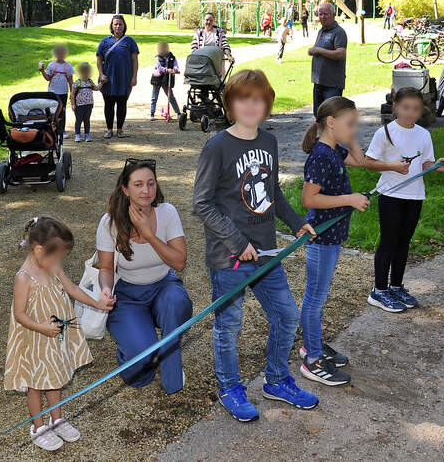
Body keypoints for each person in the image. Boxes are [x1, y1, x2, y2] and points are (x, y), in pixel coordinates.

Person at [193, 69, 319, 421]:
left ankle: (276, 380)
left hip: (266, 253)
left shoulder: (269, 142)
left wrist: (296, 223)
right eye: (242, 99)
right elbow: (202, 203)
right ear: (230, 104)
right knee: (229, 325)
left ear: (267, 104)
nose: (251, 105)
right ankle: (230, 387)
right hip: (229, 257)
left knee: (287, 315)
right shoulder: (217, 146)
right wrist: (236, 241)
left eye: (258, 99)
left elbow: (272, 191)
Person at [5, 216, 113, 452]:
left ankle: (57, 419)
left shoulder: (51, 266)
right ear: (39, 249)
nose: (59, 261)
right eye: (57, 256)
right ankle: (38, 426)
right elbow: (20, 313)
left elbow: (72, 289)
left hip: (56, 336)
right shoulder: (24, 277)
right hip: (35, 338)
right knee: (35, 383)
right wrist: (42, 327)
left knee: (54, 377)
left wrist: (97, 303)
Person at [96, 159, 192, 395]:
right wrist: (106, 289)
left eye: (151, 184)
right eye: (138, 185)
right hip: (127, 295)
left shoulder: (167, 212)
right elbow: (106, 269)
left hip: (163, 287)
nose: (146, 190)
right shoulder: (109, 222)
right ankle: (136, 346)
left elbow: (179, 262)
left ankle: (171, 374)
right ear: (126, 190)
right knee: (138, 373)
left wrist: (149, 234)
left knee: (177, 303)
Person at [298, 96, 370, 387]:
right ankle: (312, 359)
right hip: (321, 238)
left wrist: (350, 136)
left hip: (332, 237)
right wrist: (350, 199)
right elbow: (308, 198)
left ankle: (310, 344)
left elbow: (360, 161)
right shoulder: (320, 156)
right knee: (315, 298)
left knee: (319, 296)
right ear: (330, 123)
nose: (354, 129)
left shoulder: (332, 150)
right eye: (350, 124)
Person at [365, 88, 444, 313]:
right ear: (395, 106)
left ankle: (396, 286)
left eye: (415, 109)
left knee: (404, 243)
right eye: (405, 108)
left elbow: (425, 164)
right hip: (391, 195)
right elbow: (369, 162)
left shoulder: (423, 134)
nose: (410, 113)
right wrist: (393, 166)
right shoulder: (384, 133)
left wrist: (436, 166)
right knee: (389, 242)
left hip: (415, 196)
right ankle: (379, 291)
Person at [96, 15, 139, 139]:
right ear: (112, 26)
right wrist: (101, 74)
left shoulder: (130, 41)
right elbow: (99, 59)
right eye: (115, 24)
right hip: (108, 79)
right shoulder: (105, 41)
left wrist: (134, 77)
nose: (118, 26)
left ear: (124, 26)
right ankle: (109, 129)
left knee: (122, 104)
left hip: (124, 79)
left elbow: (135, 61)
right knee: (108, 105)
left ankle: (120, 129)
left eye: (120, 24)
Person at [308, 2, 348, 115]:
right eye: (320, 14)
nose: (322, 17)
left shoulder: (339, 32)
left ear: (333, 14)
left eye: (326, 14)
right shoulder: (321, 31)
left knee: (331, 117)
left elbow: (341, 53)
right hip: (319, 82)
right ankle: (320, 133)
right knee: (318, 116)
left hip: (332, 85)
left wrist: (318, 50)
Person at [40, 44, 74, 137]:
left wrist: (72, 93)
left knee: (62, 112)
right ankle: (52, 130)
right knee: (52, 112)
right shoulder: (52, 65)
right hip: (52, 93)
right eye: (58, 52)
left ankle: (62, 130)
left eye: (62, 52)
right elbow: (48, 78)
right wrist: (42, 71)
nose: (60, 54)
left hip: (63, 93)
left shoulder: (68, 66)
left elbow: (71, 81)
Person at [150, 41, 181, 121]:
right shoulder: (158, 58)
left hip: (167, 79)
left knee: (171, 96)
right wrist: (167, 70)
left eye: (164, 49)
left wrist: (175, 69)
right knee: (154, 97)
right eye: (161, 49)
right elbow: (159, 67)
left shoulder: (172, 57)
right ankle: (152, 113)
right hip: (157, 79)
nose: (162, 51)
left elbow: (176, 65)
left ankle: (178, 113)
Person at [71, 62, 97, 143]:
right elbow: (72, 94)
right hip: (79, 105)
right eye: (84, 71)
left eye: (87, 72)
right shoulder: (77, 83)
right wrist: (73, 104)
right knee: (78, 120)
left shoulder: (90, 82)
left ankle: (87, 134)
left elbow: (96, 88)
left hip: (89, 104)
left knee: (87, 120)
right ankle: (77, 135)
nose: (86, 73)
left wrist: (102, 83)